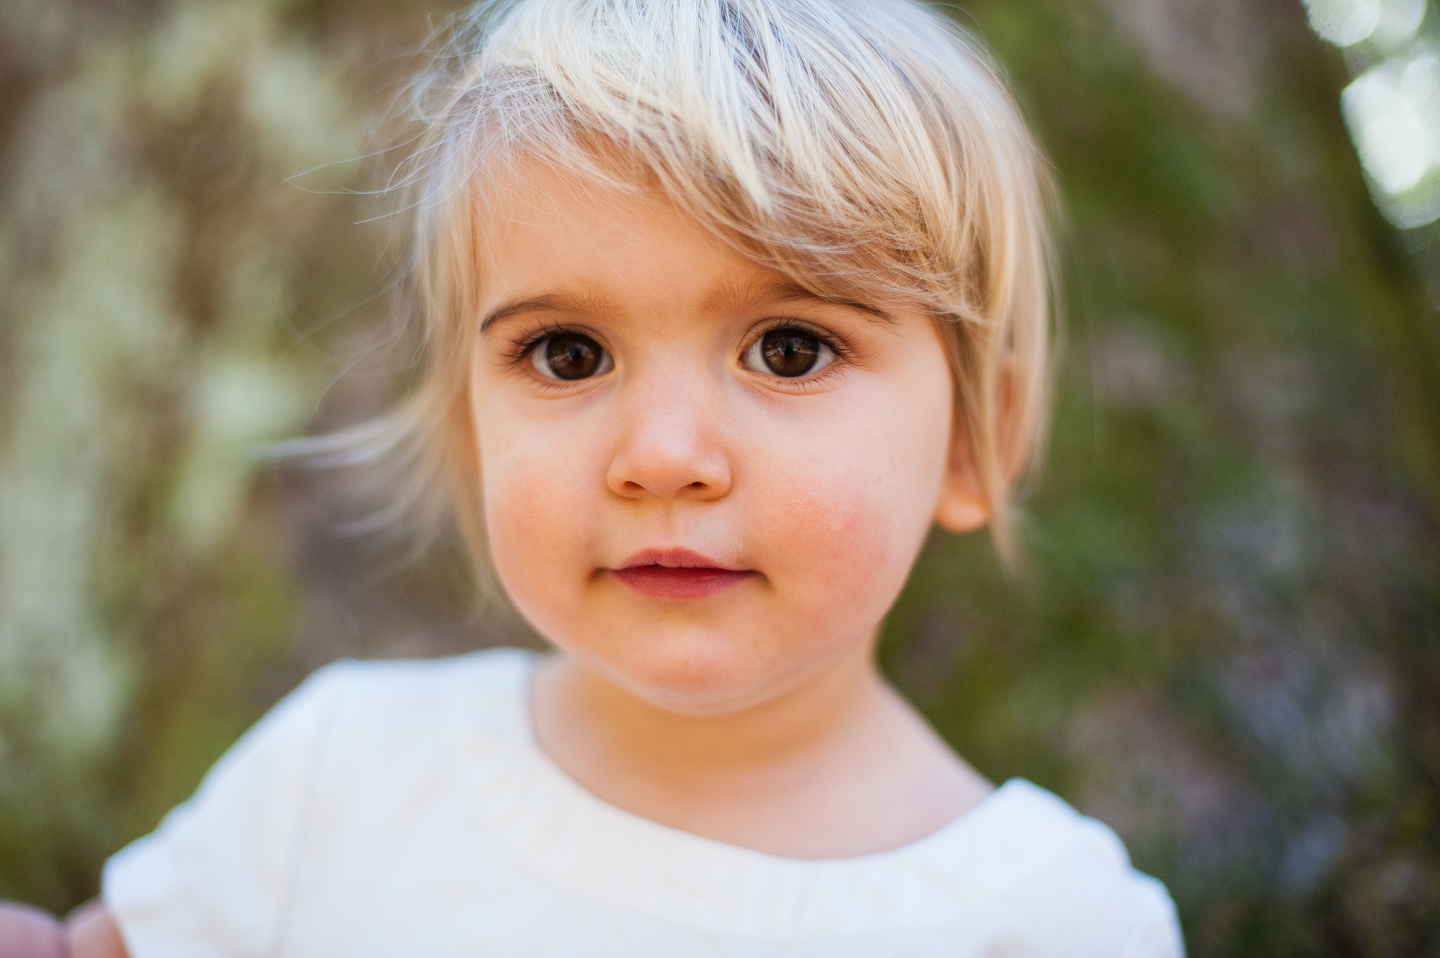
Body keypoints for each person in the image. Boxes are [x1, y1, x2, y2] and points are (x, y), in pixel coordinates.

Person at [13, 0, 1184, 953]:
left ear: (979, 440)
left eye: (790, 348)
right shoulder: (345, 772)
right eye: (567, 355)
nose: (662, 455)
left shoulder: (1053, 919)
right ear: (471, 427)